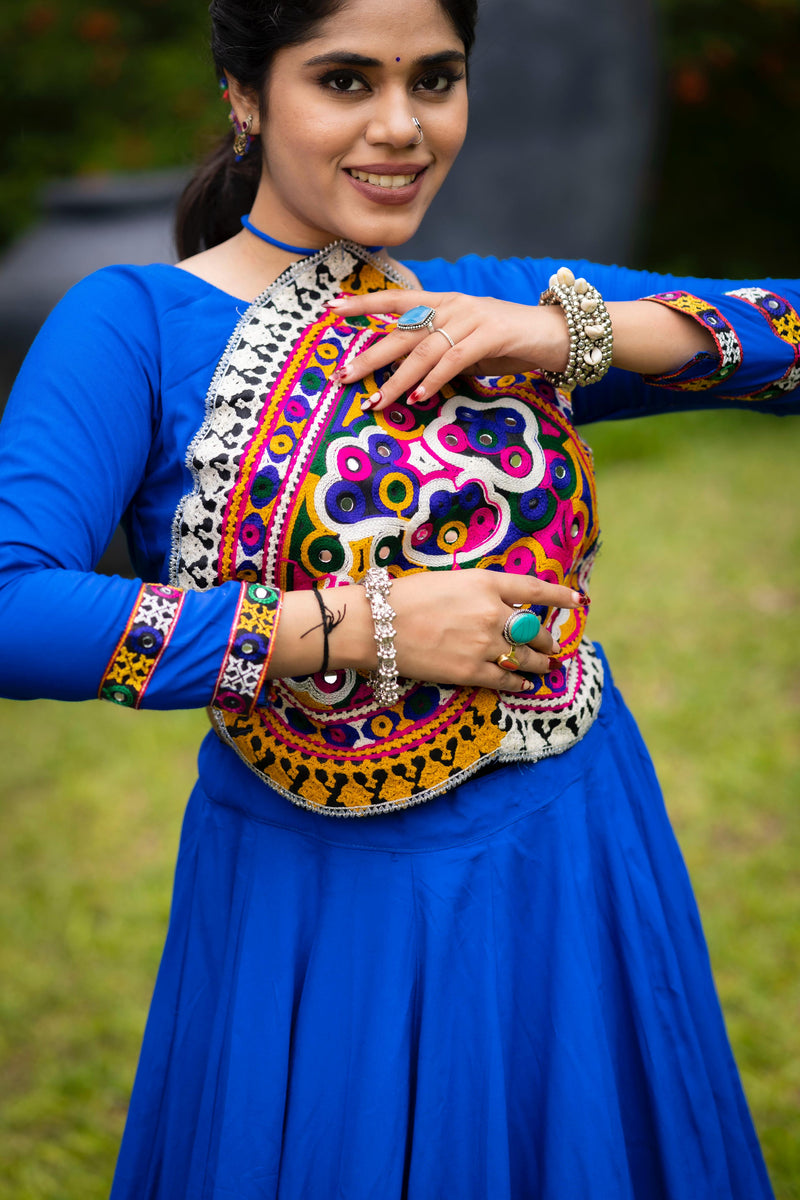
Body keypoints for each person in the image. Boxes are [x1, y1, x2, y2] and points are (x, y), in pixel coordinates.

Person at [0, 0, 797, 1195]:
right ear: (245, 95)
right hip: (320, 895)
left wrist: (561, 332)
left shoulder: (495, 301)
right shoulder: (137, 326)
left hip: (568, 849)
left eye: (435, 79)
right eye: (344, 81)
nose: (400, 126)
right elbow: (14, 608)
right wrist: (360, 628)